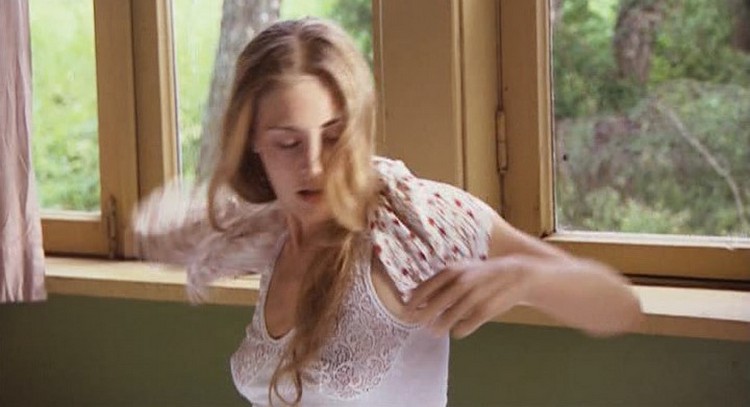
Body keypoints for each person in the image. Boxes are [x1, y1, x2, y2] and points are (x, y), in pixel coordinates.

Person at [133, 17, 642, 407]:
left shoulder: (412, 220)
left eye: (333, 136)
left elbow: (619, 305)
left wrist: (527, 277)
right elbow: (163, 228)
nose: (314, 165)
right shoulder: (271, 232)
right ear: (253, 143)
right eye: (288, 143)